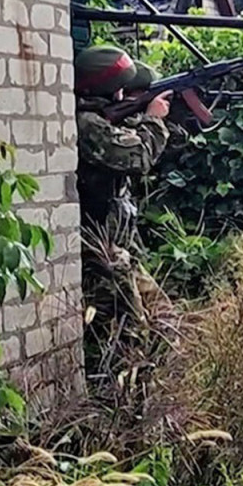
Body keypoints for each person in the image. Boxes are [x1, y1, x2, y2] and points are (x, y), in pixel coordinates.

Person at [75, 45, 175, 318]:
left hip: (120, 247)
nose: (123, 92)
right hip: (101, 250)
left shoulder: (103, 119)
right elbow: (138, 157)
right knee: (131, 330)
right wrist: (153, 120)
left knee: (163, 314)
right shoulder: (88, 125)